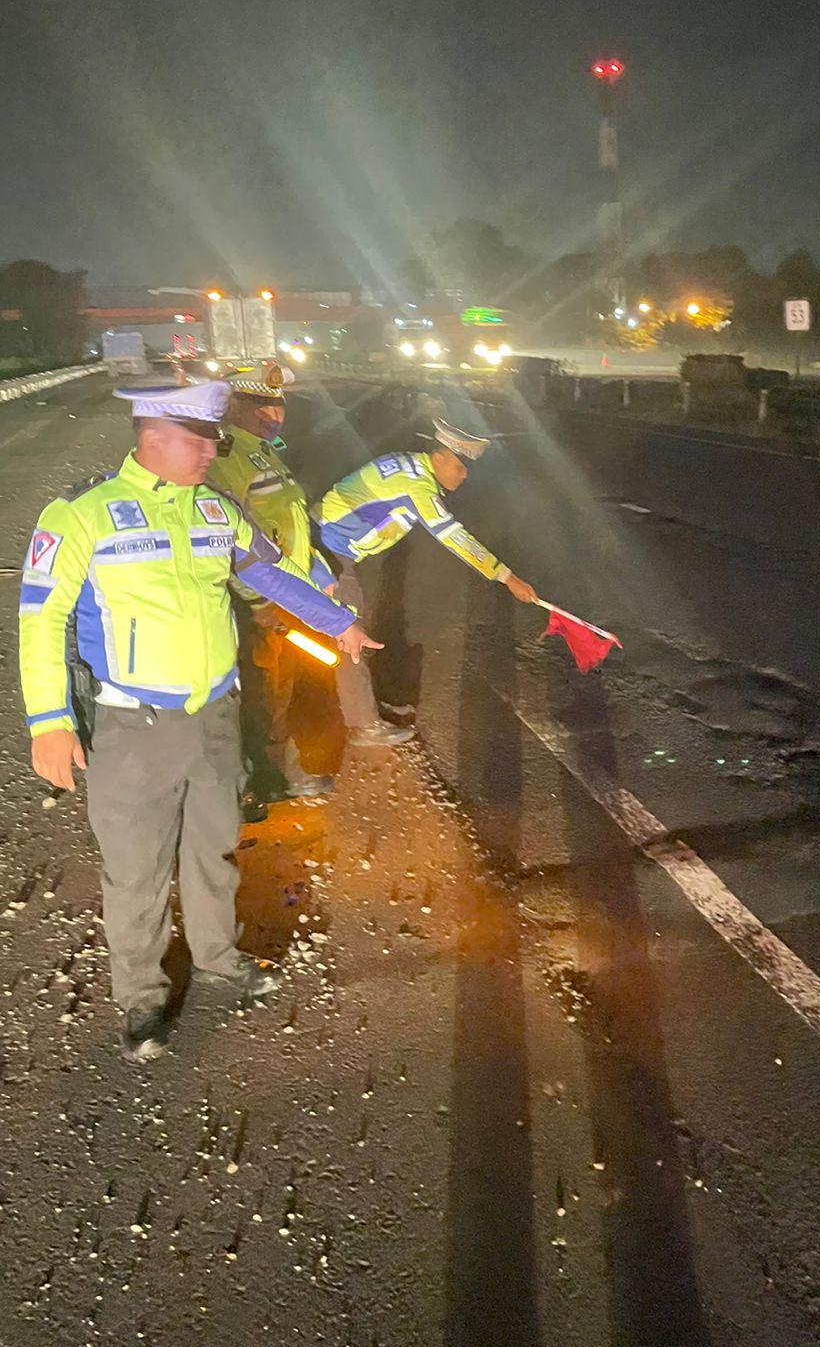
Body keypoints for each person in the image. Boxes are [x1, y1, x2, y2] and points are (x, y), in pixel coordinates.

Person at [18, 381, 380, 1064]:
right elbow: (42, 619)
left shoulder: (216, 509)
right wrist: (49, 722)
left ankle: (217, 957)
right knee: (136, 869)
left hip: (214, 712)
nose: (215, 450)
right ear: (153, 436)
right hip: (133, 726)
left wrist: (339, 623)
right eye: (201, 439)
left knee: (213, 847)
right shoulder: (82, 515)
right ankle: (142, 999)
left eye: (215, 437)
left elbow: (268, 574)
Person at [313, 417, 538, 744]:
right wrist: (507, 577)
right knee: (350, 633)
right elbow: (454, 537)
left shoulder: (409, 465)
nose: (464, 474)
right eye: (460, 466)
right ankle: (364, 724)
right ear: (439, 457)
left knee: (347, 628)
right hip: (329, 548)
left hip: (323, 535)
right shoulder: (417, 486)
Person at [206, 363, 334, 809]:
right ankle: (257, 783)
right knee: (257, 694)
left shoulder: (261, 450)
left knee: (277, 688)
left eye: (278, 404)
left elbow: (286, 520)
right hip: (251, 600)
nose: (274, 414)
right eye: (261, 404)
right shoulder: (226, 456)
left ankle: (272, 774)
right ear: (233, 404)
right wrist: (258, 599)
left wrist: (317, 575)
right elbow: (223, 534)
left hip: (279, 592)